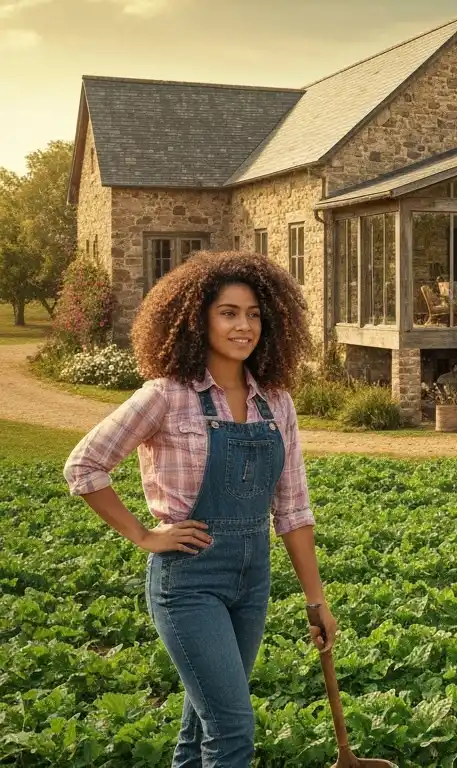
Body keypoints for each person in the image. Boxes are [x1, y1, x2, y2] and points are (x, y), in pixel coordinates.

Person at [63, 251, 337, 766]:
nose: (244, 325)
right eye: (228, 312)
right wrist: (145, 536)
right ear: (198, 319)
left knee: (201, 728)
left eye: (254, 313)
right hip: (188, 580)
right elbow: (84, 466)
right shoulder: (166, 396)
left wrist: (315, 599)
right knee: (233, 728)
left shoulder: (275, 400)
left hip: (253, 576)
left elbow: (293, 508)